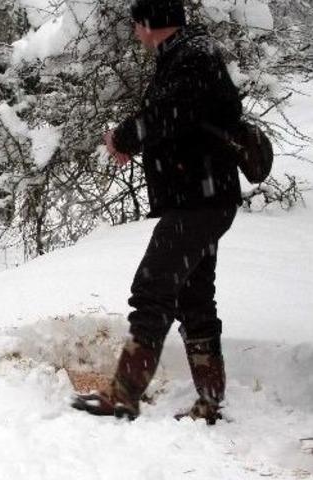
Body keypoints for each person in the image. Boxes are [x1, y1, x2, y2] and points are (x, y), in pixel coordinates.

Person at [71, 0, 243, 424]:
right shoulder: (189, 54)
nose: (134, 33)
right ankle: (210, 402)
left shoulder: (192, 58)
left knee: (152, 288)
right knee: (194, 296)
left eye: (136, 25)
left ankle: (123, 393)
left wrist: (126, 137)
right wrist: (136, 138)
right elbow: (176, 118)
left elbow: (169, 114)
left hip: (200, 202)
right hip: (203, 199)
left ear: (151, 24)